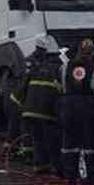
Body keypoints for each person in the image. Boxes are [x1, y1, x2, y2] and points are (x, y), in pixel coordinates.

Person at [9, 35, 62, 175]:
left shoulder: (38, 67)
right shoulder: (58, 69)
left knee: (37, 138)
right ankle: (55, 167)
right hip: (46, 111)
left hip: (30, 109)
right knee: (51, 139)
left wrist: (19, 105)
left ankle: (39, 166)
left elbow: (23, 87)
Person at [59, 39, 94, 185]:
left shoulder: (65, 67)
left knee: (69, 147)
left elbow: (59, 86)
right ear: (92, 52)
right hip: (88, 108)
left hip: (68, 108)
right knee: (90, 147)